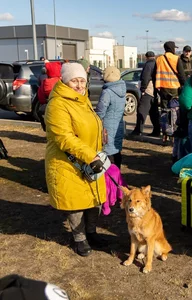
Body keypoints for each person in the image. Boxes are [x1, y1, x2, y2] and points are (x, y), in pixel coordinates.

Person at [44, 62, 106, 257]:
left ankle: (91, 232)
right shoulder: (58, 104)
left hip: (90, 159)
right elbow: (64, 137)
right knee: (76, 203)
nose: (79, 85)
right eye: (74, 81)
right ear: (64, 81)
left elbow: (87, 124)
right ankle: (80, 239)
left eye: (82, 81)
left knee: (93, 199)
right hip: (68, 162)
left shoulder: (82, 99)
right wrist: (91, 156)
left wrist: (100, 134)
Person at [95, 66, 126, 169]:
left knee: (108, 152)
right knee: (117, 150)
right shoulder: (122, 90)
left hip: (107, 128)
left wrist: (95, 119)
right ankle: (117, 175)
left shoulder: (107, 92)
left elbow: (101, 110)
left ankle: (110, 178)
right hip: (119, 125)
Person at [155, 41, 186, 140]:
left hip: (162, 88)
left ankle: (165, 132)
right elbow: (181, 74)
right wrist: (184, 84)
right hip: (174, 88)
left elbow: (154, 73)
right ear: (172, 48)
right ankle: (174, 131)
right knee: (174, 110)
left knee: (164, 110)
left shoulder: (159, 59)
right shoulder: (176, 59)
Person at [131, 51, 160, 136]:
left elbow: (145, 77)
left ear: (146, 57)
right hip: (155, 91)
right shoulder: (157, 64)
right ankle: (156, 131)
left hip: (148, 90)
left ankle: (138, 130)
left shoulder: (148, 65)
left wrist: (143, 89)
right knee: (154, 112)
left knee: (141, 110)